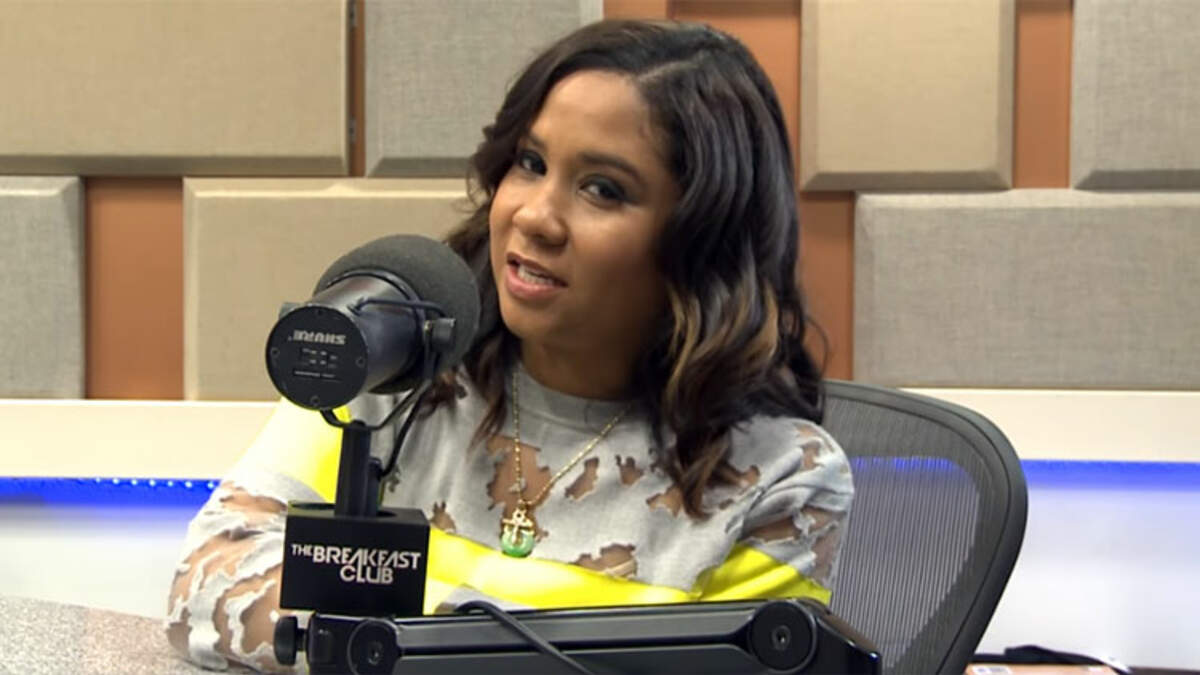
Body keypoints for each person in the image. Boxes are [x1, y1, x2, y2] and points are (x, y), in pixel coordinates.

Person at [165, 19, 853, 672]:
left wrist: (386, 636)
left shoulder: (780, 477)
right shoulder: (397, 370)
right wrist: (454, 640)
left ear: (703, 242)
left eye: (602, 189)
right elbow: (209, 577)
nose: (534, 215)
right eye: (530, 163)